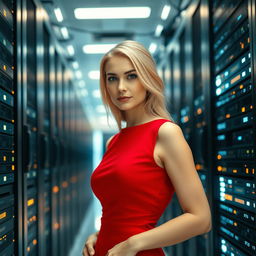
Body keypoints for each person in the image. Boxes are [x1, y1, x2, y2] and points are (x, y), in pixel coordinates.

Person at [83, 40, 212, 256]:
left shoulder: (165, 133)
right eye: (112, 79)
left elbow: (201, 219)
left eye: (131, 76)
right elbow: (118, 212)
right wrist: (98, 235)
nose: (121, 87)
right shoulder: (113, 142)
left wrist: (132, 244)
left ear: (148, 79)